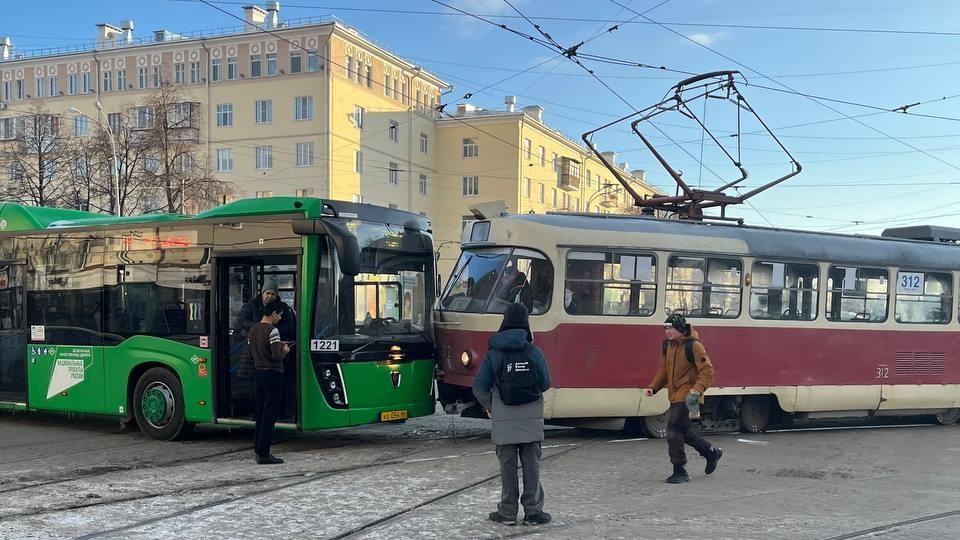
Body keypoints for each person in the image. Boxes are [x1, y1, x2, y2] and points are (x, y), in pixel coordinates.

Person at [472, 303, 552, 527]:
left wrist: (491, 406)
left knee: (507, 468)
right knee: (531, 466)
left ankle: (507, 513)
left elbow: (479, 387)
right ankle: (533, 512)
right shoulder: (534, 352)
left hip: (504, 421)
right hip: (531, 420)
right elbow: (546, 383)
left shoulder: (493, 354)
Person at [646, 313, 723, 483]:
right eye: (665, 328)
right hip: (675, 395)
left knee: (673, 429)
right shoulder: (667, 346)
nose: (667, 332)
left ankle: (680, 470)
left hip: (690, 396)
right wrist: (654, 387)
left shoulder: (694, 346)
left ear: (680, 328)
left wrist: (697, 390)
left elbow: (707, 372)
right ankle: (711, 452)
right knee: (684, 432)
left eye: (670, 328)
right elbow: (664, 371)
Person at [248, 299, 291, 465]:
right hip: (273, 375)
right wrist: (284, 349)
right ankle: (264, 453)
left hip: (258, 373)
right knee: (269, 414)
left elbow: (252, 354)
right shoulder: (273, 330)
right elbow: (276, 356)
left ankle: (257, 449)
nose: (279, 318)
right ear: (273, 313)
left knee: (260, 413)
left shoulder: (253, 330)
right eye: (279, 315)